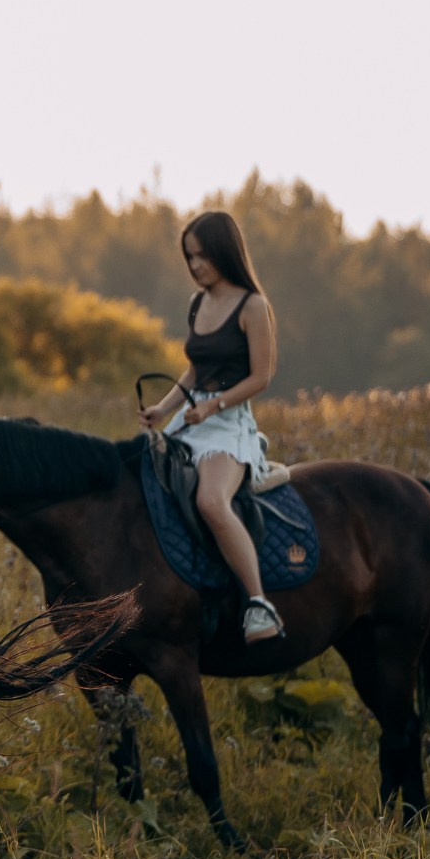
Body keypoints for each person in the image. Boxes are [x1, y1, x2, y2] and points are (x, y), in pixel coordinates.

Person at [138, 210, 284, 642]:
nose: (196, 265)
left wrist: (215, 406)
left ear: (224, 250)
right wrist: (164, 410)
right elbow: (193, 370)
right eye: (189, 257)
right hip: (191, 417)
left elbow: (262, 376)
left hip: (228, 424)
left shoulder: (252, 305)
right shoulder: (197, 304)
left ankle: (259, 604)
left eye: (202, 255)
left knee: (210, 502)